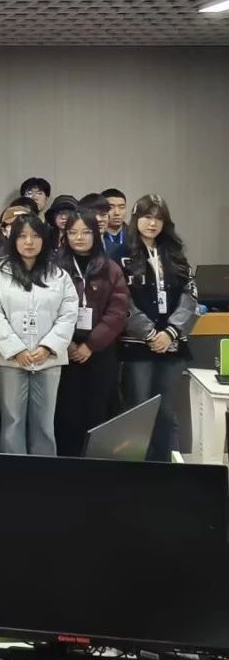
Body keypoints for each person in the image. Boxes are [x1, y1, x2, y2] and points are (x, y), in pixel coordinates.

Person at [0, 215, 77, 456]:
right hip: (11, 360)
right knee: (12, 422)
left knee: (44, 423)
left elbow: (68, 315)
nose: (29, 242)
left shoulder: (59, 276)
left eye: (35, 236)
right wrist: (16, 349)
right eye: (22, 236)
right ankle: (13, 472)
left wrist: (48, 347)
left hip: (48, 360)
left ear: (44, 240)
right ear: (13, 239)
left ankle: (43, 473)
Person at [119, 195, 199, 461]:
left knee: (166, 410)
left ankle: (163, 465)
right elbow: (120, 300)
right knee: (137, 409)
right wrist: (151, 333)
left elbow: (190, 295)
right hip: (136, 346)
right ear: (136, 219)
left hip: (172, 346)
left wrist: (171, 332)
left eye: (158, 218)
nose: (152, 223)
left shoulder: (175, 254)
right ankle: (135, 469)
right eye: (147, 217)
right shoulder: (119, 254)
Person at [53, 211, 130, 456]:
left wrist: (91, 345)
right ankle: (67, 463)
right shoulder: (55, 267)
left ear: (96, 235)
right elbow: (47, 308)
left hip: (101, 351)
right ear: (65, 235)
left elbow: (118, 312)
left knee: (98, 410)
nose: (79, 237)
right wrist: (67, 343)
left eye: (86, 232)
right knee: (66, 412)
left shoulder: (110, 268)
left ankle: (97, 465)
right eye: (73, 232)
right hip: (64, 351)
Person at [101, 188, 128, 257]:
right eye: (110, 208)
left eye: (121, 207)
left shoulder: (135, 235)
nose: (117, 213)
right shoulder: (94, 236)